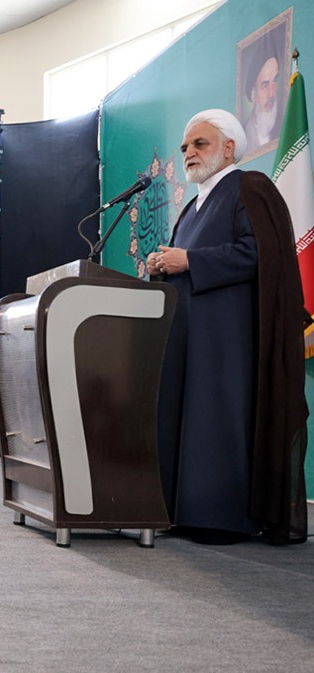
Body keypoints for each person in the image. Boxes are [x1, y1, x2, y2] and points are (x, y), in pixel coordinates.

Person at [146, 109, 308, 545]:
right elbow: (185, 264)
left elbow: (262, 254)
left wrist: (190, 260)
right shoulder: (191, 208)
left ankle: (222, 519)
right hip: (188, 338)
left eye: (200, 144)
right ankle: (184, 513)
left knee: (219, 420)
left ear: (229, 147)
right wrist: (163, 265)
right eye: (185, 147)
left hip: (230, 339)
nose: (189, 152)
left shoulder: (249, 187)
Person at [242, 51, 282, 154]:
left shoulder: (284, 125)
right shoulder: (244, 137)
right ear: (253, 94)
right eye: (265, 85)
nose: (272, 94)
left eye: (275, 81)